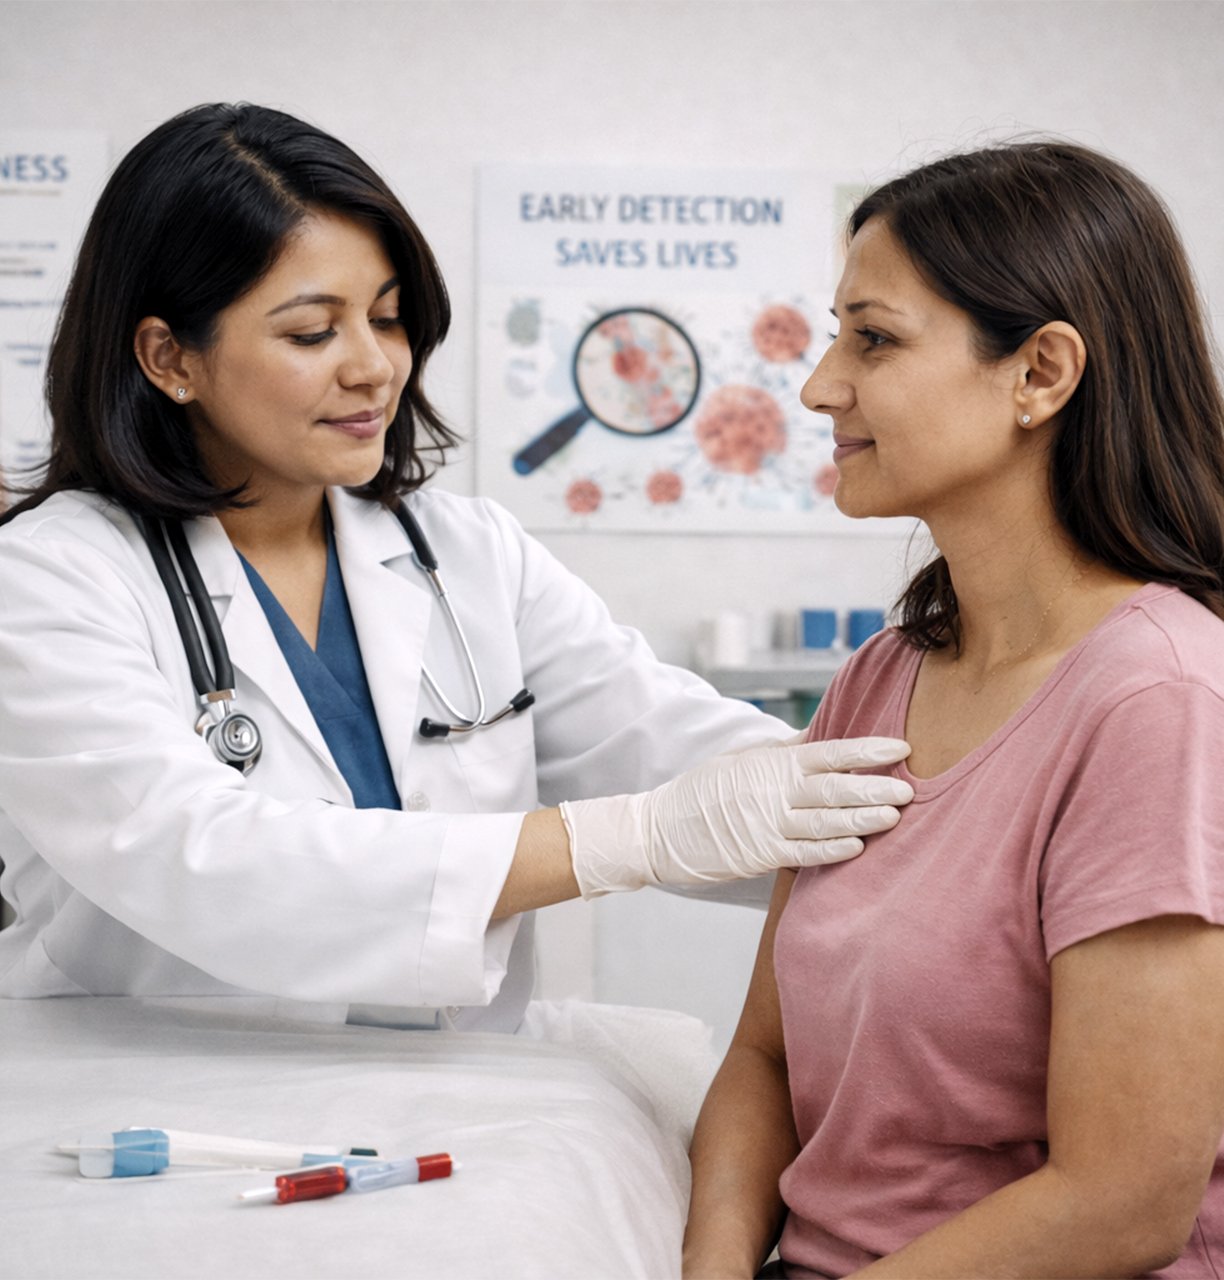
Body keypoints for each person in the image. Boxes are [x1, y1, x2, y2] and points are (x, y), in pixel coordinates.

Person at [0, 104, 913, 1030]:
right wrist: (624, 840)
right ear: (169, 357)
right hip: (147, 1122)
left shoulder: (467, 554)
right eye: (313, 333)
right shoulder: (51, 580)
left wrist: (948, 807)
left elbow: (659, 739)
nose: (375, 368)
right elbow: (196, 857)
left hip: (448, 1102)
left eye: (390, 319)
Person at [683, 140, 1224, 1278]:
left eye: (872, 338)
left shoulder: (1160, 702)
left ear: (1041, 372)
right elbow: (762, 1059)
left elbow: (1123, 1201)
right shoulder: (878, 677)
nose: (821, 384)